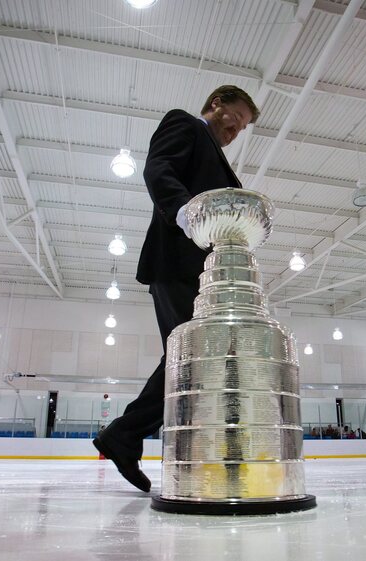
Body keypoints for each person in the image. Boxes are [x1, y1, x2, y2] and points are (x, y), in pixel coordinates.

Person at [92, 85, 260, 492]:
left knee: (193, 359)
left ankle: (130, 435)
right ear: (216, 103)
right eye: (236, 117)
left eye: (243, 128)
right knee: (195, 358)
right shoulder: (184, 123)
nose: (237, 128)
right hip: (176, 262)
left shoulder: (220, 163)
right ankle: (134, 436)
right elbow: (159, 168)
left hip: (204, 272)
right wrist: (184, 212)